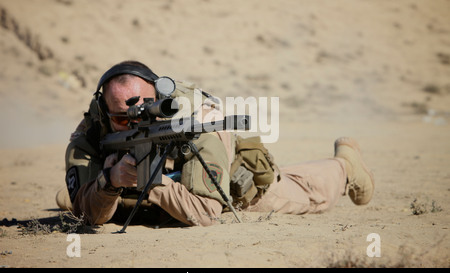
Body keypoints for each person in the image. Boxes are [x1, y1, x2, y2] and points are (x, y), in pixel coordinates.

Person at [56, 60, 374, 227]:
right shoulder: (89, 135)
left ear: (159, 98)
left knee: (300, 192)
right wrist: (108, 183)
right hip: (163, 199)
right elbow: (87, 215)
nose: (138, 122)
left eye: (145, 113)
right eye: (123, 119)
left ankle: (345, 166)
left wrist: (150, 182)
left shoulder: (199, 119)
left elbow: (206, 214)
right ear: (103, 110)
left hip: (231, 190)